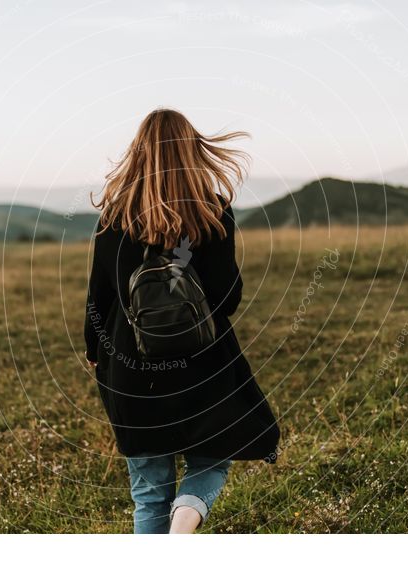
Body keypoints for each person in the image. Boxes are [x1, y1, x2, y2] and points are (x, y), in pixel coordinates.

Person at [83, 108, 280, 534]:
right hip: (202, 361)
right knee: (214, 452)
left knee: (149, 493)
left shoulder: (114, 216)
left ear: (138, 153)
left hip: (130, 364)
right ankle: (185, 521)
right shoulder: (213, 211)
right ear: (193, 151)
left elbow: (98, 298)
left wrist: (95, 353)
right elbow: (227, 298)